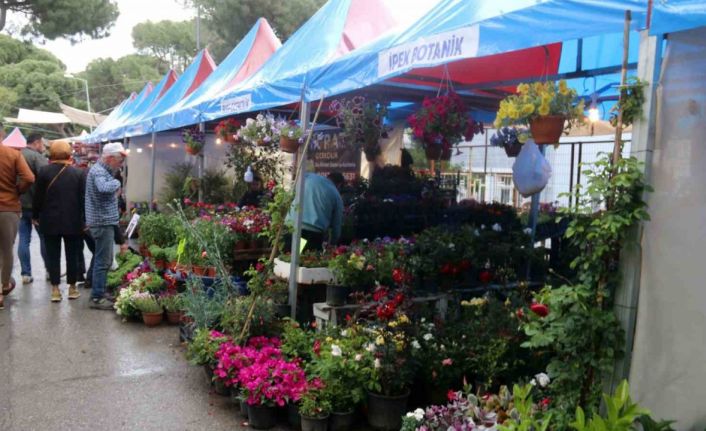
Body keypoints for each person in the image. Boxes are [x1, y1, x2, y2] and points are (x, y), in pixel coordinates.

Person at [33, 142, 85, 302]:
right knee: (72, 255)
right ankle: (72, 288)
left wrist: (35, 215)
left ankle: (55, 289)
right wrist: (84, 219)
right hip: (73, 221)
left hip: (49, 220)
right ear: (69, 154)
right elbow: (82, 199)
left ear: (52, 153)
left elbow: (38, 197)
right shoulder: (78, 173)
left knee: (53, 255)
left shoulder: (44, 172)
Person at [85, 142, 127, 310]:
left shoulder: (101, 170)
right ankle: (97, 297)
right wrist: (117, 183)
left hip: (102, 221)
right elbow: (103, 188)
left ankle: (99, 292)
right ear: (110, 158)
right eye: (119, 160)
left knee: (102, 259)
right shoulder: (99, 172)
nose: (121, 163)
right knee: (103, 261)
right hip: (102, 222)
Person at [0, 124, 35, 310]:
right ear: (2, 134)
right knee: (6, 250)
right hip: (8, 207)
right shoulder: (12, 154)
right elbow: (29, 178)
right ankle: (2, 288)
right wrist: (17, 191)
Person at [18, 133, 49, 284]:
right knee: (44, 237)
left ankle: (25, 274)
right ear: (36, 143)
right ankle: (50, 270)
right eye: (42, 143)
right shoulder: (37, 157)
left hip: (19, 204)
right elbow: (47, 178)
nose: (43, 147)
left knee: (23, 239)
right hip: (37, 205)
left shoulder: (17, 155)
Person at [286, 172, 344, 251]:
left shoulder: (310, 177)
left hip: (291, 225)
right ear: (339, 185)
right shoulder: (336, 195)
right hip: (312, 233)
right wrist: (333, 243)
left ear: (328, 177)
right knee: (306, 257)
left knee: (286, 256)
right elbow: (336, 226)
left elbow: (296, 183)